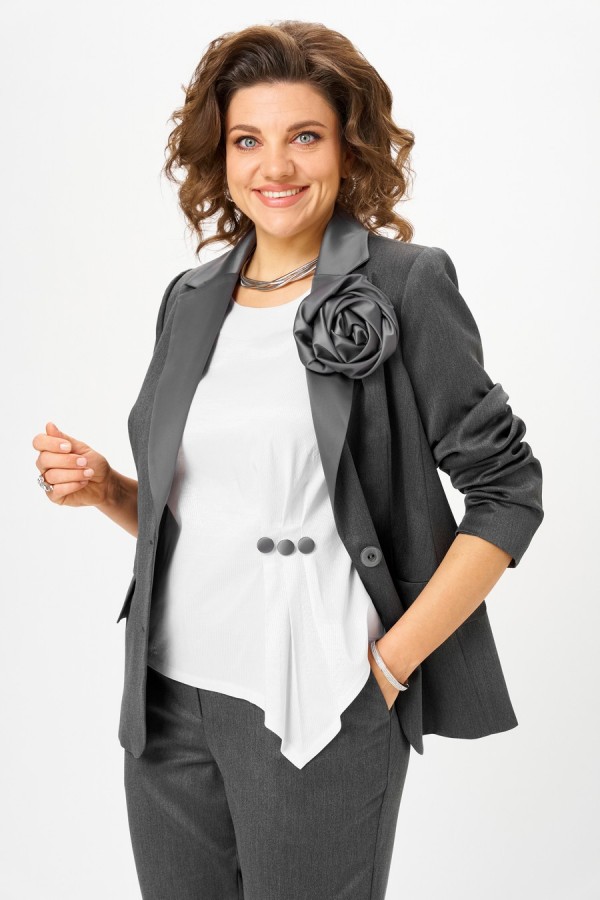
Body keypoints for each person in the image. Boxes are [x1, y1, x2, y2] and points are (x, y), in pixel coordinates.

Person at [32, 19, 544, 900]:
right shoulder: (192, 297)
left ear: (348, 147)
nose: (275, 166)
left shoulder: (405, 284)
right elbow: (210, 512)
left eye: (304, 136)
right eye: (247, 140)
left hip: (322, 697)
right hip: (167, 698)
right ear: (220, 155)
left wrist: (389, 665)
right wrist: (109, 489)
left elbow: (507, 492)